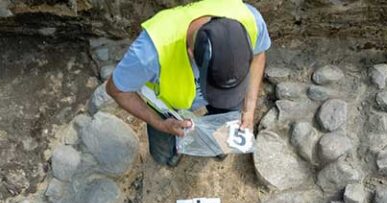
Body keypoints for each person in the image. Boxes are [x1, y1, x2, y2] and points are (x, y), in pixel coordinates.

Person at [106, 0, 271, 167]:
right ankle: (170, 157)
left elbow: (258, 56)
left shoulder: (250, 20)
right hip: (167, 105)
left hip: (218, 91)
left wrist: (249, 108)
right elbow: (117, 90)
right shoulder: (149, 52)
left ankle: (216, 145)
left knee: (228, 120)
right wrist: (160, 124)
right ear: (191, 53)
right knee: (163, 153)